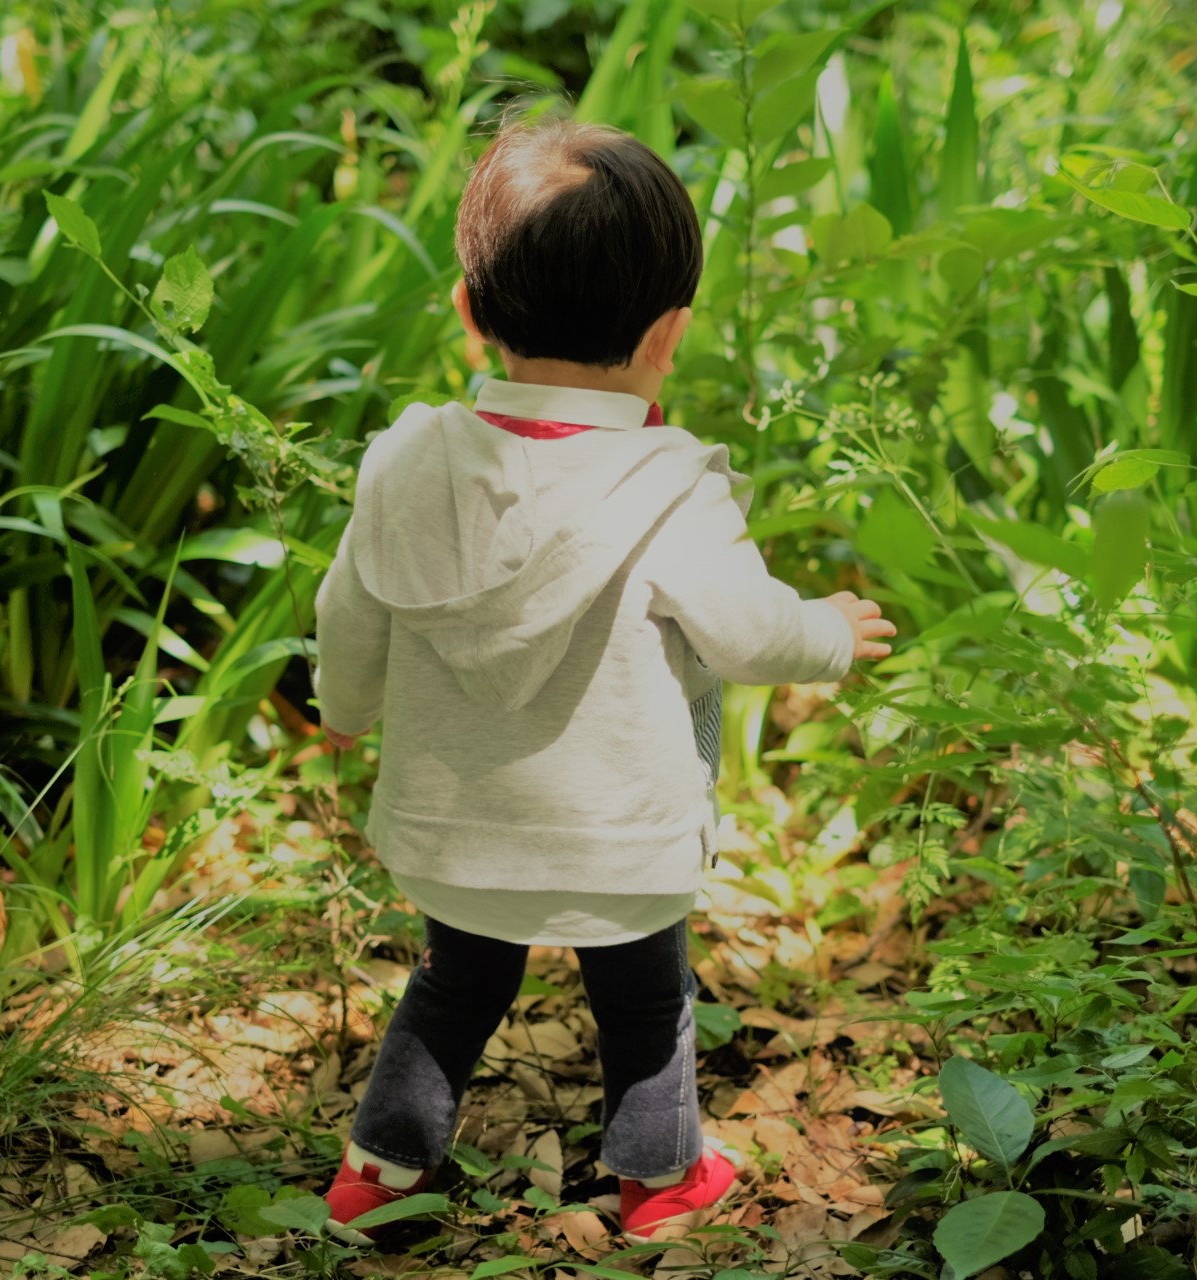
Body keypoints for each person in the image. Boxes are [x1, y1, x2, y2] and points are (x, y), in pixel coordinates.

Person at [312, 110, 894, 1246]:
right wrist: (827, 629)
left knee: (450, 989)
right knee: (646, 1001)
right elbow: (745, 633)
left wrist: (345, 710)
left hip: (455, 829)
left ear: (471, 312)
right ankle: (659, 1179)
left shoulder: (408, 458)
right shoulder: (669, 481)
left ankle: (378, 1174)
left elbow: (349, 612)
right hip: (620, 837)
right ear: (669, 333)